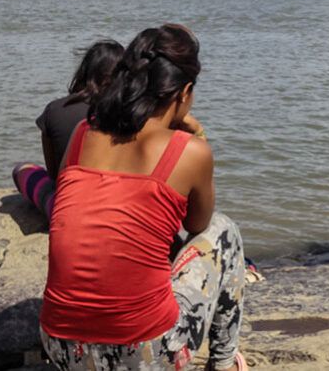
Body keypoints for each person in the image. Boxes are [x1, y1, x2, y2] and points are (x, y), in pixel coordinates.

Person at [40, 24, 247, 371]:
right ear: (184, 93)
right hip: (144, 352)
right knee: (225, 231)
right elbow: (198, 224)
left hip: (61, 347)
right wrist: (198, 134)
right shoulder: (190, 151)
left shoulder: (81, 134)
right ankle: (224, 362)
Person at [12, 39, 124, 217]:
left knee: (22, 169)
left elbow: (54, 174)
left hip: (67, 210)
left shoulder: (55, 109)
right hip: (116, 206)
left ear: (84, 72)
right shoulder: (126, 113)